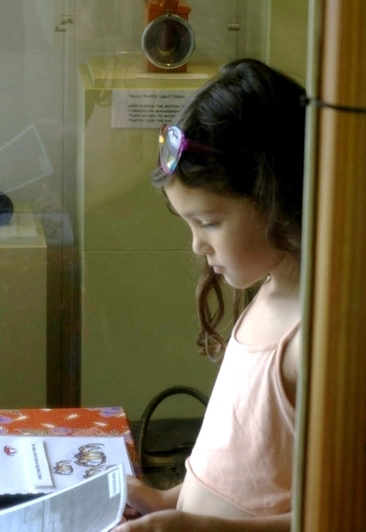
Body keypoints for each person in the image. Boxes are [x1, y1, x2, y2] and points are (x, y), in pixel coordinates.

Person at [113, 58, 306, 532]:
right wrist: (169, 500)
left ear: (275, 196)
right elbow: (242, 470)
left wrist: (201, 529)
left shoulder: (313, 340)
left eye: (210, 223)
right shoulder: (270, 290)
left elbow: (342, 512)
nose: (198, 245)